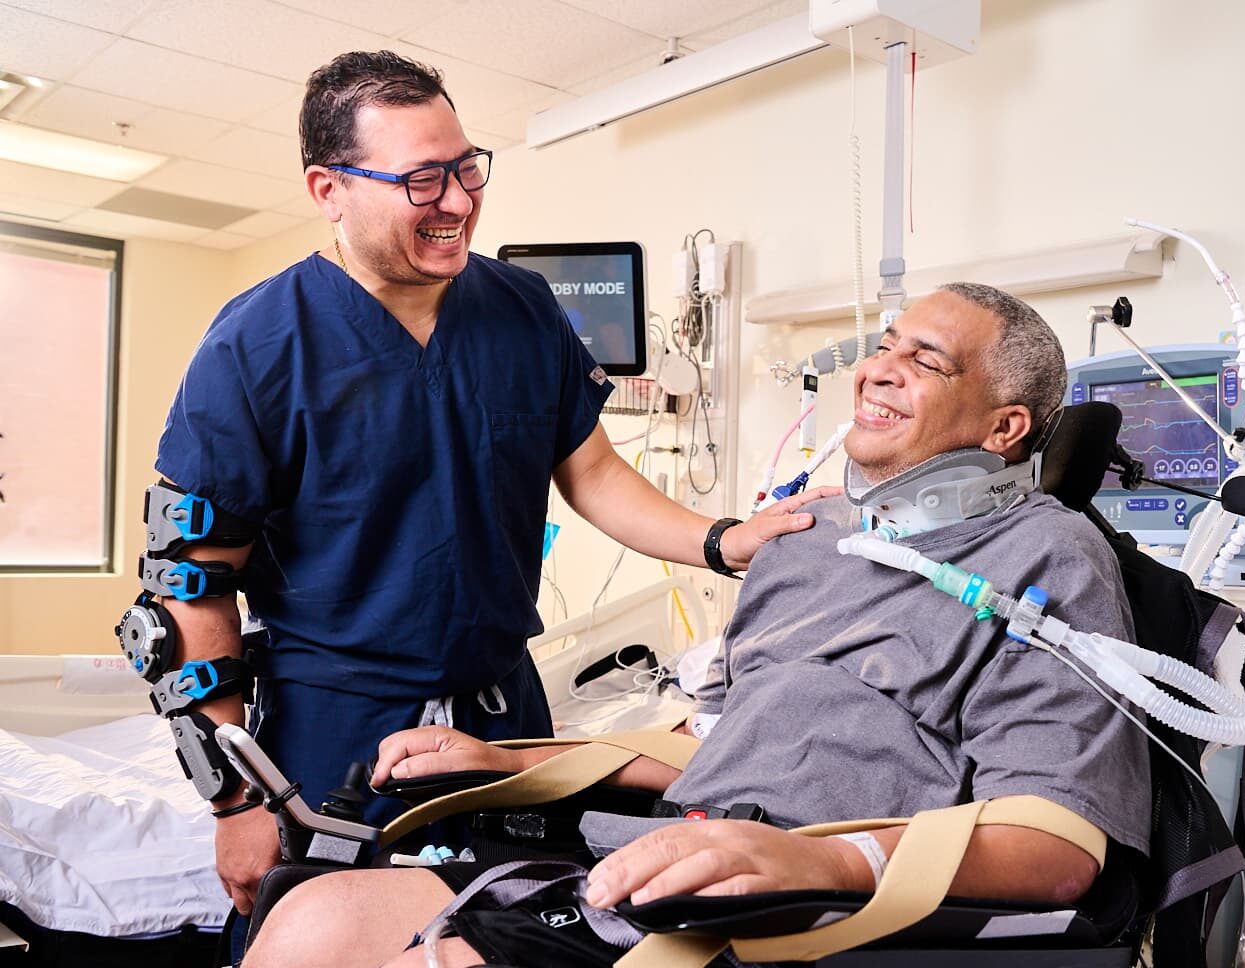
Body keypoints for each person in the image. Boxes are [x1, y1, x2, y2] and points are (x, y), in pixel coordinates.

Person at [242, 282, 1153, 968]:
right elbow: (717, 737)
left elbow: (1057, 845)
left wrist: (824, 861)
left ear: (1005, 428)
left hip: (785, 902)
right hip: (670, 846)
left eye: (926, 361)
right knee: (308, 919)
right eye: (885, 345)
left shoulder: (1048, 558)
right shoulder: (808, 543)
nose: (878, 369)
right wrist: (516, 760)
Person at [140, 49, 830, 929]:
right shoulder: (257, 346)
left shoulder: (522, 306)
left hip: (505, 715)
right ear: (328, 189)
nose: (459, 202)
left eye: (467, 168)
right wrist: (235, 804)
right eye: (424, 179)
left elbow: (593, 472)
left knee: (517, 938)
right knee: (329, 939)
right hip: (335, 729)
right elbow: (191, 583)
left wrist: (719, 539)